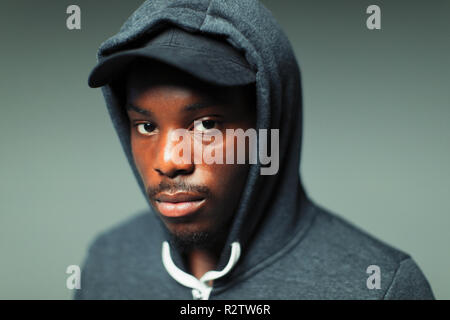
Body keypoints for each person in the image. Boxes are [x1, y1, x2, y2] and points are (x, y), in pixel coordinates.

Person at [76, 0, 434, 299]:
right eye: (147, 126)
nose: (169, 161)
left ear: (267, 128)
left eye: (206, 125)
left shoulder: (376, 286)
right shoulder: (108, 263)